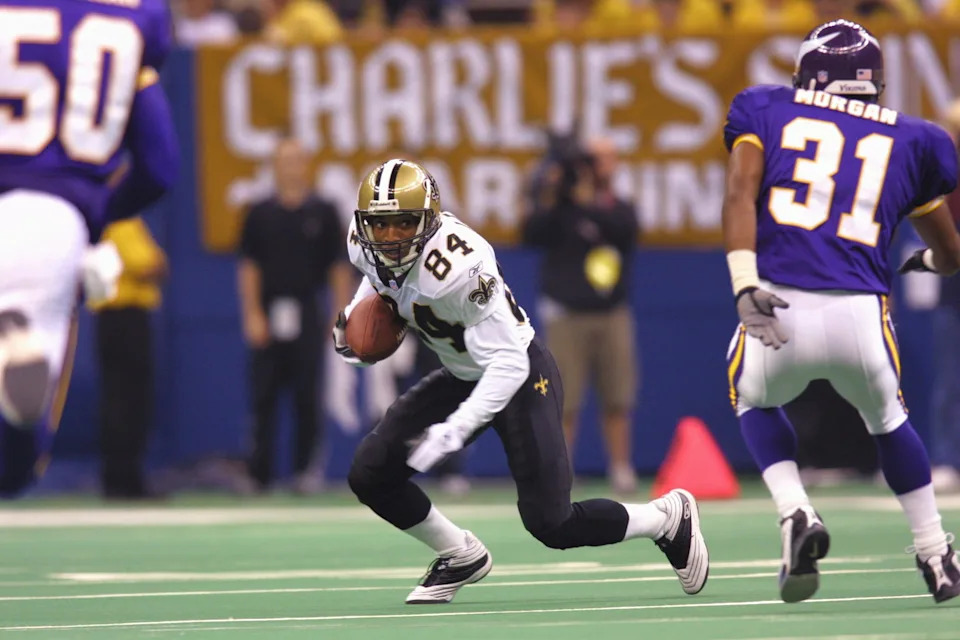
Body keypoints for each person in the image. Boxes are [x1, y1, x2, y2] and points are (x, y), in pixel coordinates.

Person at [334, 159, 709, 604]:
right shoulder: (363, 242)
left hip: (520, 375)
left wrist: (456, 428)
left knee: (553, 524)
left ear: (430, 220)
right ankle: (459, 553)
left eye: (403, 224)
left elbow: (509, 362)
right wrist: (352, 328)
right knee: (370, 473)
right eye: (381, 226)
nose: (391, 237)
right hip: (462, 372)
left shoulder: (461, 266)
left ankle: (666, 518)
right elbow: (377, 281)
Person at [722, 19, 960, 604]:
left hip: (778, 306)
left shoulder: (767, 109)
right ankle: (936, 555)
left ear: (808, 75)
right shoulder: (916, 139)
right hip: (860, 315)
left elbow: (738, 194)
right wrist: (926, 261)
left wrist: (744, 282)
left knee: (751, 396)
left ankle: (795, 511)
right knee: (888, 418)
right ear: (875, 82)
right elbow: (952, 254)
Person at [0, 0, 178, 496]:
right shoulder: (127, 21)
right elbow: (159, 167)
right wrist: (97, 213)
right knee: (16, 462)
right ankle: (13, 375)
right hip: (51, 223)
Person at [522, 136, 640, 494]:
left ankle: (621, 469)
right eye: (593, 158)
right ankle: (562, 471)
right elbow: (531, 233)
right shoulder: (559, 209)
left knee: (617, 397)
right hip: (566, 315)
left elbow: (625, 233)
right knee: (564, 398)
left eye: (607, 158)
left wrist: (587, 203)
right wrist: (552, 190)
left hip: (610, 313)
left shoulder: (619, 208)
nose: (599, 165)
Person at [237, 137, 353, 493]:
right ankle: (260, 474)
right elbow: (249, 266)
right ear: (274, 165)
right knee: (264, 394)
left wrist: (339, 314)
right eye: (284, 160)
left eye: (297, 159)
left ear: (307, 165)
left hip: (307, 308)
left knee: (307, 393)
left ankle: (306, 470)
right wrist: (252, 313)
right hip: (270, 309)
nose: (291, 167)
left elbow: (338, 267)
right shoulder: (259, 213)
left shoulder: (324, 211)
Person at [91, 217, 168, 500]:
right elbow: (148, 265)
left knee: (131, 399)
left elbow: (158, 264)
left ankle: (127, 477)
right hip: (122, 318)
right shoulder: (118, 221)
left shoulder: (130, 221)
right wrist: (154, 267)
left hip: (126, 317)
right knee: (123, 399)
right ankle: (121, 480)